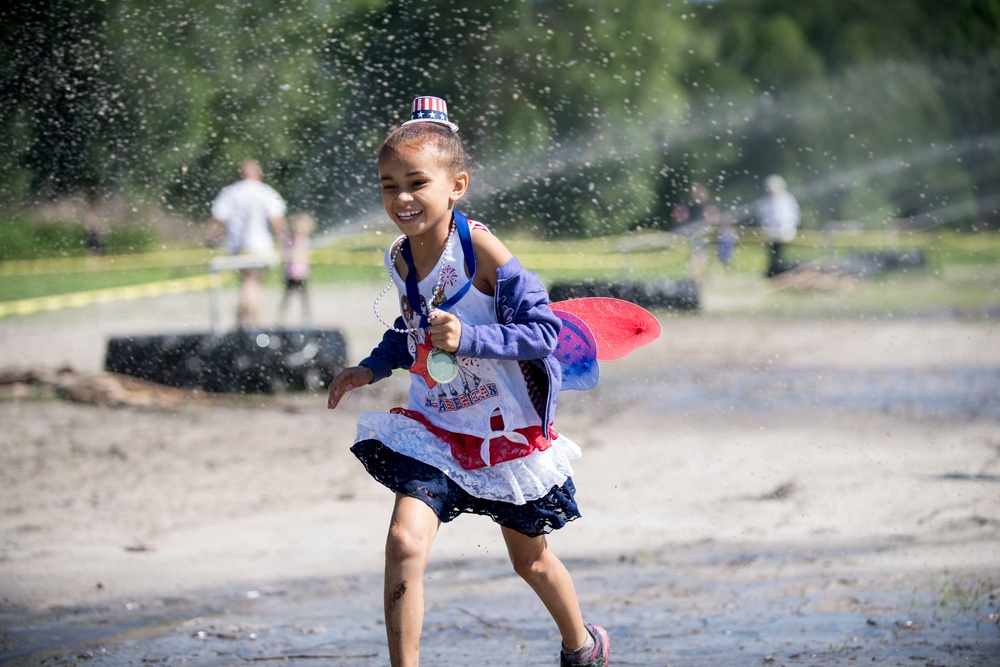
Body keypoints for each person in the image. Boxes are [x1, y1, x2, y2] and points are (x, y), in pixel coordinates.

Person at [326, 96, 610, 667]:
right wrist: (372, 367)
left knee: (529, 561)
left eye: (416, 183)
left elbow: (544, 334)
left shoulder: (480, 248)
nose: (401, 198)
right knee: (404, 543)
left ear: (455, 185)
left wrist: (470, 340)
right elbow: (412, 332)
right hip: (437, 426)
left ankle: (582, 646)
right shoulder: (400, 259)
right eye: (388, 186)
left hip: (505, 434)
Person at [210, 158, 287, 329]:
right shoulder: (265, 192)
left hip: (237, 247)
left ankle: (240, 324)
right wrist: (283, 240)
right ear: (258, 174)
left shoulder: (230, 192)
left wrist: (215, 241)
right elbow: (276, 221)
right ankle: (256, 324)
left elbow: (219, 221)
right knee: (252, 283)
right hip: (260, 246)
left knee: (246, 283)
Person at [757, 174, 800, 277]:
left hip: (784, 234)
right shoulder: (766, 201)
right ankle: (772, 273)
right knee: (772, 254)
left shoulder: (787, 199)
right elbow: (763, 216)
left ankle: (781, 273)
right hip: (771, 234)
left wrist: (784, 229)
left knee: (781, 255)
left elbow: (791, 217)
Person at [278, 211, 315, 326]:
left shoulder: (306, 241)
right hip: (289, 274)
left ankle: (307, 320)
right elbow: (284, 254)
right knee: (287, 298)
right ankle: (282, 320)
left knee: (304, 299)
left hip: (301, 275)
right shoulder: (289, 241)